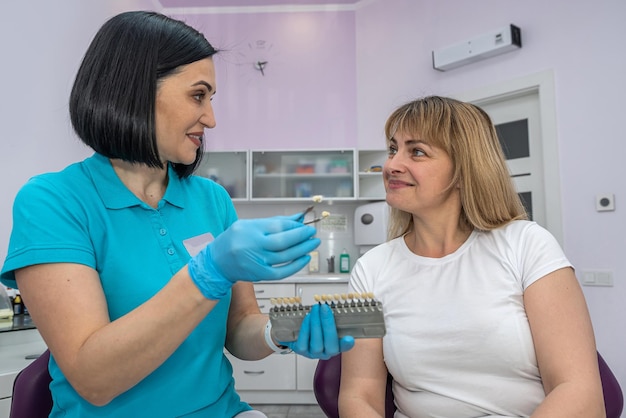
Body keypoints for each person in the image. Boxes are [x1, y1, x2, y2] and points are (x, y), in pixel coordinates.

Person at [1, 11, 353, 418]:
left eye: (211, 98)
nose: (211, 118)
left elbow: (239, 330)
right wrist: (209, 272)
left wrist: (281, 333)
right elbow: (94, 379)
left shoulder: (212, 199)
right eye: (198, 95)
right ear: (133, 91)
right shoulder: (53, 201)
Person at [338, 96, 605, 417]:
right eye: (394, 149)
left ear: (465, 169)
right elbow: (360, 395)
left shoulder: (527, 245)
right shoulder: (371, 269)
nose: (392, 165)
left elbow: (578, 391)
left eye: (417, 151)